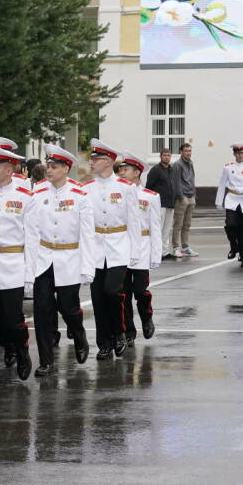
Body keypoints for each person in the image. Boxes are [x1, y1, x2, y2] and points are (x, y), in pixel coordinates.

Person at [24, 144, 93, 376]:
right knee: (42, 310)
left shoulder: (80, 194)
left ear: (66, 168)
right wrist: (29, 266)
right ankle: (46, 361)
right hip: (44, 258)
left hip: (69, 257)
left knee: (68, 307)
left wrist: (87, 267)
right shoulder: (38, 192)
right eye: (48, 166)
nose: (49, 170)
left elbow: (87, 234)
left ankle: (79, 334)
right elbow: (31, 232)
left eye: (54, 167)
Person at [83, 140, 142, 361]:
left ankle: (119, 332)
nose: (91, 162)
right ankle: (104, 343)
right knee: (97, 297)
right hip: (96, 247)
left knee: (112, 291)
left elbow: (134, 222)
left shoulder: (126, 188)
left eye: (95, 159)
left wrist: (135, 252)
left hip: (119, 246)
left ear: (107, 161)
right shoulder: (87, 189)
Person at [0, 142, 32, 380]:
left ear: (10, 170)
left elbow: (31, 238)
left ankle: (22, 350)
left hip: (12, 263)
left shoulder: (25, 197)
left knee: (12, 321)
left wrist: (29, 274)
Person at [116, 151, 161, 345]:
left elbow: (155, 227)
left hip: (143, 247)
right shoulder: (117, 194)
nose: (122, 173)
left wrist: (156, 254)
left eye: (126, 170)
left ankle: (146, 317)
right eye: (121, 170)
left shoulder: (150, 196)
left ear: (137, 173)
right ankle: (128, 331)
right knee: (123, 294)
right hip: (122, 246)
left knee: (141, 291)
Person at [215, 142, 243, 267]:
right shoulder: (228, 167)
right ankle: (234, 247)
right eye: (237, 153)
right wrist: (219, 202)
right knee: (230, 226)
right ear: (234, 154)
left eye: (242, 153)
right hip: (232, 200)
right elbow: (222, 185)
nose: (240, 155)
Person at [144, 149, 176, 259]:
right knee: (158, 229)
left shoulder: (171, 170)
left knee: (167, 229)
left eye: (168, 155)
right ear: (160, 156)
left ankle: (165, 252)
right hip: (159, 204)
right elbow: (149, 187)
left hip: (170, 203)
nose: (166, 157)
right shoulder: (156, 170)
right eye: (164, 155)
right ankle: (156, 252)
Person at [169, 143, 197, 258]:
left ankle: (185, 247)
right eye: (186, 151)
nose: (188, 153)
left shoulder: (190, 163)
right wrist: (181, 197)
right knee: (178, 224)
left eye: (190, 151)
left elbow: (192, 178)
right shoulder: (177, 165)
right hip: (182, 198)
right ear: (181, 152)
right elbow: (176, 183)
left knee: (187, 225)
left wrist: (194, 194)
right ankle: (176, 248)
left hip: (191, 197)